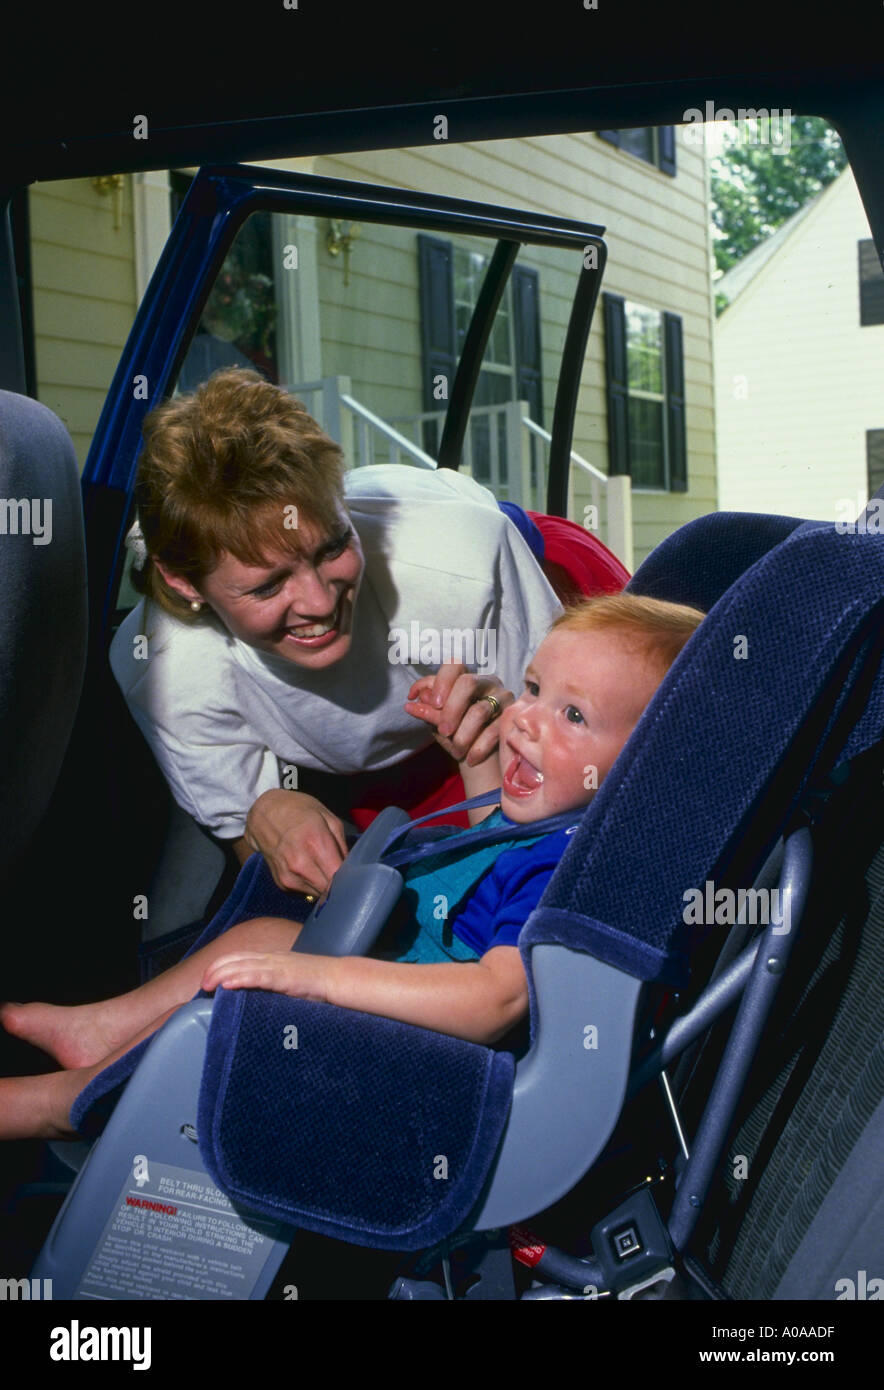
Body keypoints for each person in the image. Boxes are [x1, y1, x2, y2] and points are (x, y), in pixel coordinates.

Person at [0, 594, 704, 1140]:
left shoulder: (573, 871)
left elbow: (496, 1000)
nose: (525, 719)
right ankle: (103, 1031)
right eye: (533, 687)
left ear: (644, 768)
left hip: (433, 1059)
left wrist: (319, 980)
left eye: (574, 716)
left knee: (253, 986)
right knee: (265, 940)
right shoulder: (558, 823)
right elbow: (486, 846)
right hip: (410, 981)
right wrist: (473, 759)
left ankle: (59, 1105)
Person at [110, 366, 564, 893]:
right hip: (373, 777)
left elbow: (587, 757)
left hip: (529, 552)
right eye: (267, 586)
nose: (321, 602)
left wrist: (512, 715)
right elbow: (249, 843)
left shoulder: (462, 562)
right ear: (184, 583)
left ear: (343, 507)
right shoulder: (164, 673)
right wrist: (265, 811)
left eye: (331, 548)